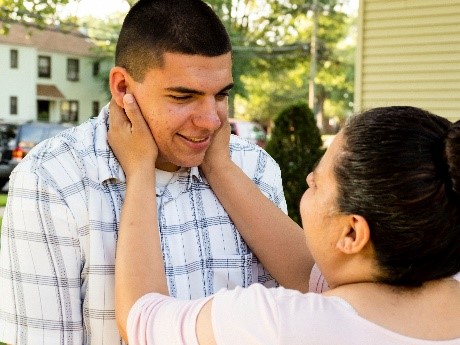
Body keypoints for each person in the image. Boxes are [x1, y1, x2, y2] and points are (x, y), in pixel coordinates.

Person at [0, 1, 314, 344]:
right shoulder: (51, 180)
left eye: (221, 95)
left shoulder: (255, 169)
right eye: (183, 96)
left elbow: (298, 311)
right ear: (122, 88)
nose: (210, 120)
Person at [110, 98, 460, 344]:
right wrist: (218, 166)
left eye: (316, 183)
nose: (308, 178)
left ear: (352, 233)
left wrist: (140, 170)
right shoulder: (432, 275)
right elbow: (314, 272)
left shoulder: (281, 324)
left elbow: (141, 318)